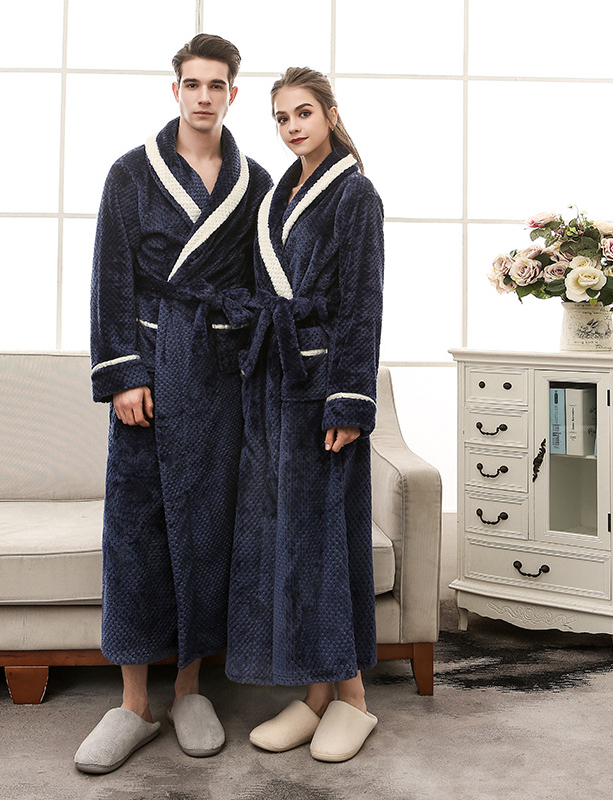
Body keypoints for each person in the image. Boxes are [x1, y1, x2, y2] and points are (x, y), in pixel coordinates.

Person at [75, 34, 272, 773]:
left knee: (208, 530)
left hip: (218, 375)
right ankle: (133, 704)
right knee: (136, 533)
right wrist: (124, 373)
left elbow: (261, 279)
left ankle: (190, 690)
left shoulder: (254, 183)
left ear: (232, 94)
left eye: (217, 86)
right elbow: (110, 278)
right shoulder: (131, 173)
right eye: (193, 84)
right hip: (152, 372)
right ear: (176, 90)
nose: (203, 97)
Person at [225, 67, 384, 763]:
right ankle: (317, 697)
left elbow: (363, 302)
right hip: (272, 383)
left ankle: (354, 699)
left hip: (321, 387)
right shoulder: (276, 196)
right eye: (281, 117)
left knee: (321, 540)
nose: (292, 126)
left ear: (330, 115)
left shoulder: (355, 193)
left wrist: (349, 398)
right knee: (285, 539)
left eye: (303, 113)